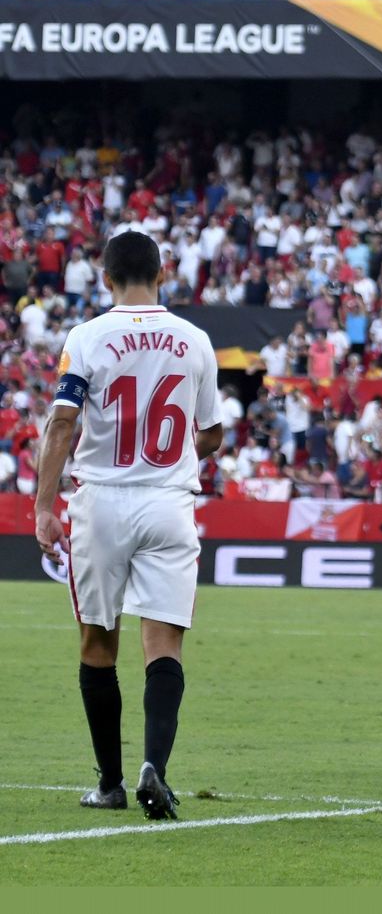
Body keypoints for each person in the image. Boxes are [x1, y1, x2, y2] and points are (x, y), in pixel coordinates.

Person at [33, 231, 224, 820]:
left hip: (103, 503)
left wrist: (43, 505)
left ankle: (111, 783)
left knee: (98, 639)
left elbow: (63, 424)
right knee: (163, 642)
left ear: (106, 276)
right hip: (169, 503)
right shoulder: (195, 340)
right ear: (162, 274)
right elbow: (212, 431)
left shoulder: (87, 337)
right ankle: (156, 769)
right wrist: (178, 454)